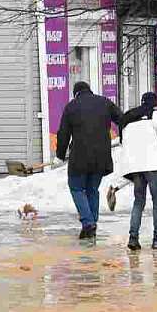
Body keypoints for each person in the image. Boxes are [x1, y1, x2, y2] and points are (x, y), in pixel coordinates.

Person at [111, 92, 157, 251]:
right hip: (152, 165)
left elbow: (123, 142)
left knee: (138, 201)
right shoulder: (154, 115)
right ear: (156, 104)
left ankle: (133, 238)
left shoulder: (128, 118)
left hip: (135, 167)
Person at [55, 81, 123, 239]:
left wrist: (59, 155)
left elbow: (63, 133)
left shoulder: (71, 106)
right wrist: (124, 138)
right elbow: (122, 119)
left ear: (75, 93)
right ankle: (92, 223)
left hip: (80, 156)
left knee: (76, 188)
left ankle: (88, 223)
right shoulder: (104, 102)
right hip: (101, 156)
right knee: (92, 190)